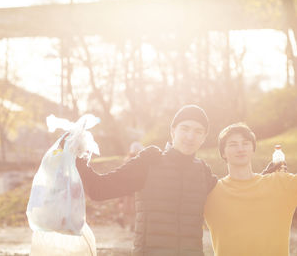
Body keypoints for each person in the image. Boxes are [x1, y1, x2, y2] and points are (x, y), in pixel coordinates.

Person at [76, 105, 218, 256]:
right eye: (185, 128)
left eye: (198, 131)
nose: (190, 136)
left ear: (204, 138)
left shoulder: (204, 172)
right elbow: (99, 190)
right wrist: (77, 156)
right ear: (172, 131)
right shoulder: (149, 163)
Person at [203, 122, 297, 256]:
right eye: (233, 144)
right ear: (223, 153)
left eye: (245, 143)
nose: (240, 149)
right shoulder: (211, 193)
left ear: (252, 149)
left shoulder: (280, 183)